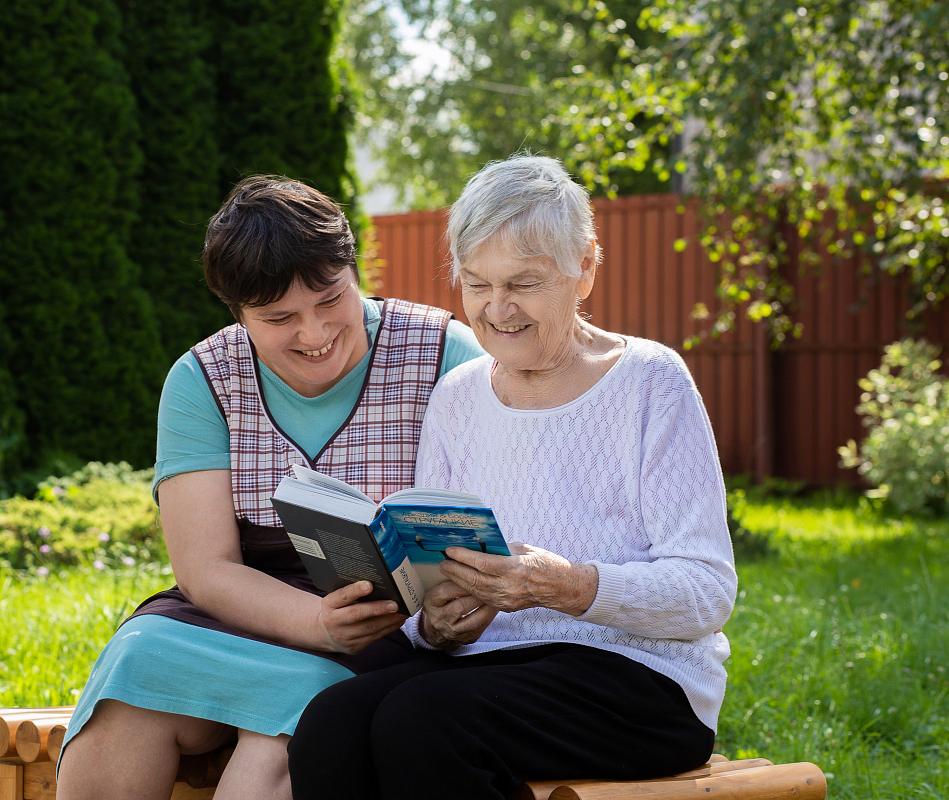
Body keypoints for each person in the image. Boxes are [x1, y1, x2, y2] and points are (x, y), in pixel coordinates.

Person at [288, 155, 738, 800]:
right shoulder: (457, 397)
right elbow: (430, 593)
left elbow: (707, 591)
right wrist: (435, 622)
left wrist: (572, 585)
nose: (497, 310)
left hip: (643, 678)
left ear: (584, 267)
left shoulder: (650, 381)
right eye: (476, 284)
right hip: (489, 664)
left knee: (423, 722)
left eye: (524, 284)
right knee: (330, 724)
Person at [55, 176, 486, 800]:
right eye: (279, 318)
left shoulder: (447, 354)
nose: (314, 336)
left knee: (295, 726)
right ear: (237, 312)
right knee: (137, 665)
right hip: (239, 606)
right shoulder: (201, 379)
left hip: (391, 628)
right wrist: (314, 621)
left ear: (353, 269)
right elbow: (205, 568)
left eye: (330, 301)